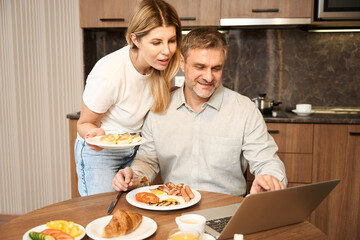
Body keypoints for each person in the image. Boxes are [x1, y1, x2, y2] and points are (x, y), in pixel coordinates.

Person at [112, 27, 287, 196]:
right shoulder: (159, 109)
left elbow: (267, 161)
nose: (209, 77)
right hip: (174, 208)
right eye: (200, 67)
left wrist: (271, 180)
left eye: (216, 68)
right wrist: (133, 177)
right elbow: (147, 161)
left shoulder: (244, 110)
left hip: (227, 211)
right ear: (182, 62)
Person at [75, 0, 182, 196]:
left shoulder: (161, 65)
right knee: (103, 211)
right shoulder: (109, 72)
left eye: (172, 40)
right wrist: (94, 135)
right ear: (136, 39)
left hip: (138, 150)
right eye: (156, 42)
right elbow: (84, 123)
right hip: (102, 154)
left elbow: (152, 97)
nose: (166, 50)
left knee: (133, 212)